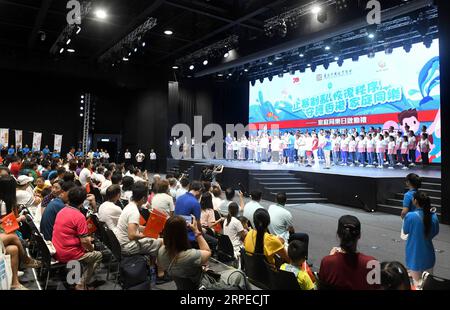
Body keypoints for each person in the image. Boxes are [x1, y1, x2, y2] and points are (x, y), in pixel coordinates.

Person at [52, 186, 102, 290]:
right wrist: (91, 249)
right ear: (83, 201)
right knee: (98, 255)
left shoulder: (62, 210)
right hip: (67, 253)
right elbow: (84, 241)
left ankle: (76, 277)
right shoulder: (79, 216)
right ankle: (81, 284)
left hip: (56, 249)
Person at [318, 215, 379, 290]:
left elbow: (321, 287)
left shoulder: (327, 262)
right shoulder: (372, 263)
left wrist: (331, 258)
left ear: (338, 234)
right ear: (359, 235)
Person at [157, 216, 211, 289]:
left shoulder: (161, 252)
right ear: (184, 233)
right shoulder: (190, 255)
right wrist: (196, 231)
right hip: (198, 285)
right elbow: (207, 252)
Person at [114, 182, 162, 256]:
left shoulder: (129, 205)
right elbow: (132, 235)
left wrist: (148, 229)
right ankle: (154, 265)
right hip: (127, 247)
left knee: (155, 238)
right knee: (161, 241)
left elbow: (134, 227)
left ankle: (150, 263)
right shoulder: (134, 212)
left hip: (120, 244)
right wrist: (149, 234)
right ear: (143, 198)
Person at [403, 192, 439, 288]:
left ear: (415, 201)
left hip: (414, 256)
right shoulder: (434, 216)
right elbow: (435, 232)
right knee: (428, 285)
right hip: (428, 255)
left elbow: (405, 231)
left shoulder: (410, 216)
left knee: (417, 285)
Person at [174, 181, 203, 246]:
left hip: (176, 233)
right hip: (189, 237)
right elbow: (198, 224)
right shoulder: (195, 203)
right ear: (200, 190)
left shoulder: (179, 198)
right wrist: (202, 233)